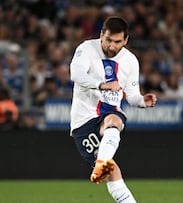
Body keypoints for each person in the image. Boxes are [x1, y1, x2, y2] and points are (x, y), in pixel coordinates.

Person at [69, 16, 157, 203]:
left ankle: (102, 162)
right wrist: (102, 85)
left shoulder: (131, 61)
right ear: (101, 35)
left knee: (114, 120)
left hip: (108, 114)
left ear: (125, 40)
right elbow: (76, 74)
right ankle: (104, 163)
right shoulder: (86, 49)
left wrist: (142, 101)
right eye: (108, 40)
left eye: (117, 42)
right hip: (82, 120)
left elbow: (132, 95)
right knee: (113, 172)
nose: (111, 46)